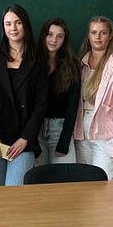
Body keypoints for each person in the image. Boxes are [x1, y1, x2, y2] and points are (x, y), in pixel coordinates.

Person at [0, 4, 48, 227]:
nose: (13, 28)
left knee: (16, 202)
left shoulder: (38, 60)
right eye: (8, 23)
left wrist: (25, 138)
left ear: (26, 25)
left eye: (18, 22)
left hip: (24, 142)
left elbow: (41, 105)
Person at [74, 16, 113, 179]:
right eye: (94, 32)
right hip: (82, 134)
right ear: (88, 36)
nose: (98, 37)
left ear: (110, 36)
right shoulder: (80, 65)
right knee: (84, 184)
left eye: (103, 33)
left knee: (104, 186)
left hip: (107, 138)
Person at [36, 18, 80, 166]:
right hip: (36, 130)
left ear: (64, 40)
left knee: (65, 177)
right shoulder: (33, 62)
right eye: (50, 34)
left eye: (59, 36)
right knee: (39, 177)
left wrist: (64, 142)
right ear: (44, 36)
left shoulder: (72, 65)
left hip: (60, 129)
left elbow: (73, 105)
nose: (54, 40)